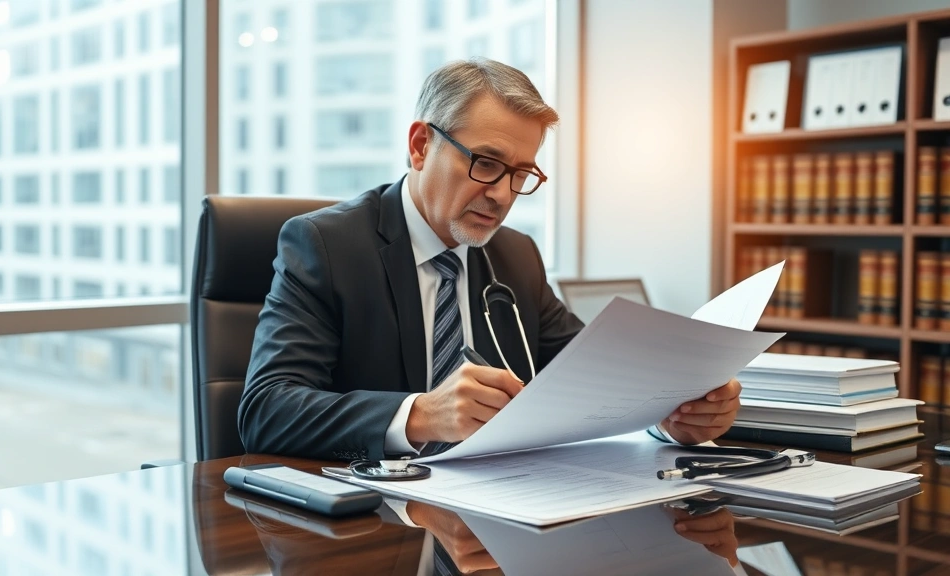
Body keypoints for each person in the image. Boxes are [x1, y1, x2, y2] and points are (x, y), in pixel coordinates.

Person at [239, 58, 741, 461]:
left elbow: (594, 377)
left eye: (520, 174)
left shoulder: (515, 254)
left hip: (498, 517)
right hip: (376, 528)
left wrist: (670, 412)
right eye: (486, 163)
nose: (502, 195)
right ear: (420, 146)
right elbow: (266, 410)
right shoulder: (325, 245)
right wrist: (420, 415)